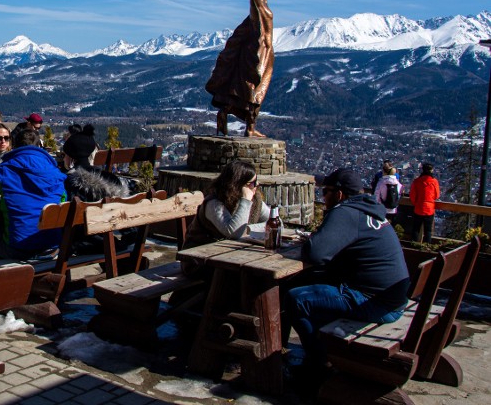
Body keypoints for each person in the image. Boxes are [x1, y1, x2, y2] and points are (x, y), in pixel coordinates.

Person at [286, 168, 409, 376]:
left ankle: (318, 364)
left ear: (339, 194)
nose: (323, 197)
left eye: (325, 192)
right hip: (393, 298)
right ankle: (323, 348)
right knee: (310, 284)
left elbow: (314, 253)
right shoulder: (369, 210)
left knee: (296, 298)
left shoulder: (345, 211)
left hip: (374, 302)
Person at [206, 0, 294, 138]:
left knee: (255, 93)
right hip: (255, 55)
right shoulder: (258, 7)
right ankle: (245, 126)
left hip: (264, 53)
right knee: (252, 93)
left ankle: (245, 126)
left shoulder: (263, 2)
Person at [0, 128, 67, 261]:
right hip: (52, 248)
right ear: (39, 146)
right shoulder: (56, 173)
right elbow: (63, 200)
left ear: (15, 146)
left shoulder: (6, 169)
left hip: (19, 249)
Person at [181, 161, 270, 277]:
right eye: (252, 183)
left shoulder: (255, 201)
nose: (256, 185)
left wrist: (248, 229)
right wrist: (246, 200)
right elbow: (234, 232)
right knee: (242, 276)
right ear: (239, 185)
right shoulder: (214, 203)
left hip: (229, 257)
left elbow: (275, 224)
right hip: (198, 261)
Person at [409, 162, 440, 243]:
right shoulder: (434, 182)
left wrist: (416, 203)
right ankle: (427, 247)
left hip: (418, 207)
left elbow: (412, 195)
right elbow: (437, 196)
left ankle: (414, 246)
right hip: (429, 209)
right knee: (428, 231)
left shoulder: (416, 181)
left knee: (416, 229)